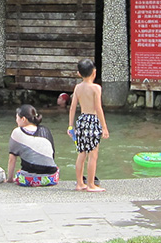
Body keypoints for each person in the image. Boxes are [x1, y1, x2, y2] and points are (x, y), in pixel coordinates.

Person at [67, 58, 108, 191]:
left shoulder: (78, 87)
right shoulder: (96, 88)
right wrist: (104, 127)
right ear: (94, 72)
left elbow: (72, 108)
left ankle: (79, 183)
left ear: (79, 73)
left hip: (82, 120)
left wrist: (70, 126)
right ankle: (91, 184)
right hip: (93, 120)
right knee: (93, 154)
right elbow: (98, 108)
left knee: (81, 153)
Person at [6, 104, 59, 187]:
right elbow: (52, 154)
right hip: (51, 178)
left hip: (28, 180)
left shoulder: (17, 132)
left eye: (17, 118)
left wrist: (9, 179)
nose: (16, 120)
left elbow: (12, 159)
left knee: (19, 173)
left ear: (23, 119)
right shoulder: (45, 130)